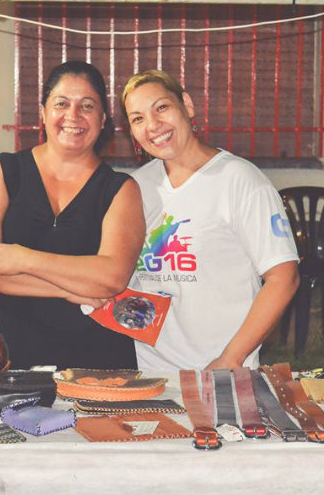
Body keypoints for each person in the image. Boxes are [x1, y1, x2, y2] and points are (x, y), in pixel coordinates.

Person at [0, 61, 145, 370]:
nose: (73, 116)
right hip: (8, 352)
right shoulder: (3, 170)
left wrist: (21, 258)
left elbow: (113, 277)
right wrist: (74, 286)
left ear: (102, 120)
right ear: (44, 114)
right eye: (61, 103)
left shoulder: (121, 189)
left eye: (87, 106)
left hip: (96, 357)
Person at [121, 69, 300, 370]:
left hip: (220, 370)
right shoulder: (135, 187)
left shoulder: (239, 180)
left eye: (162, 108)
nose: (153, 126)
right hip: (147, 371)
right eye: (137, 118)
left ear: (187, 106)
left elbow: (284, 278)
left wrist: (231, 358)